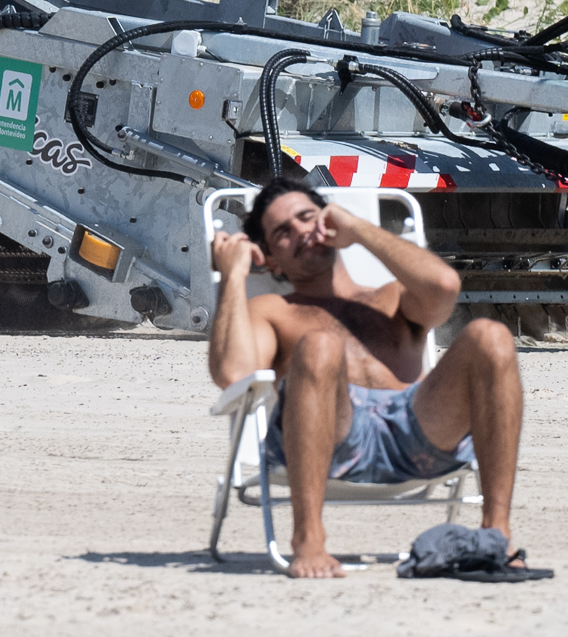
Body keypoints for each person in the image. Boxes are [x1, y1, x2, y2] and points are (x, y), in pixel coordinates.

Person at [206, 171, 524, 580]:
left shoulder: (391, 296)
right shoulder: (273, 311)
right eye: (284, 231)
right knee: (321, 345)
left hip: (419, 433)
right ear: (269, 257)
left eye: (308, 217)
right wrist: (233, 275)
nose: (303, 231)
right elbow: (233, 372)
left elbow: (445, 284)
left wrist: (357, 230)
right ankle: (309, 537)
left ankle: (496, 533)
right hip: (329, 439)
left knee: (491, 336)